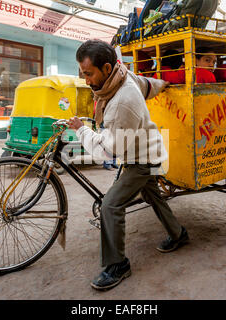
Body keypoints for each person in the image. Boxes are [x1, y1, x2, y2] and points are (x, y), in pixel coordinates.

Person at [68, 40, 188, 291]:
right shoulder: (123, 75)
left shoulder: (122, 102)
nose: (86, 81)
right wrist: (164, 84)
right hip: (148, 147)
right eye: (83, 74)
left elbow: (107, 151)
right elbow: (147, 84)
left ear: (107, 67)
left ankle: (118, 265)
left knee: (110, 205)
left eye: (89, 74)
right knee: (152, 195)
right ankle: (179, 234)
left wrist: (81, 131)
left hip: (141, 158)